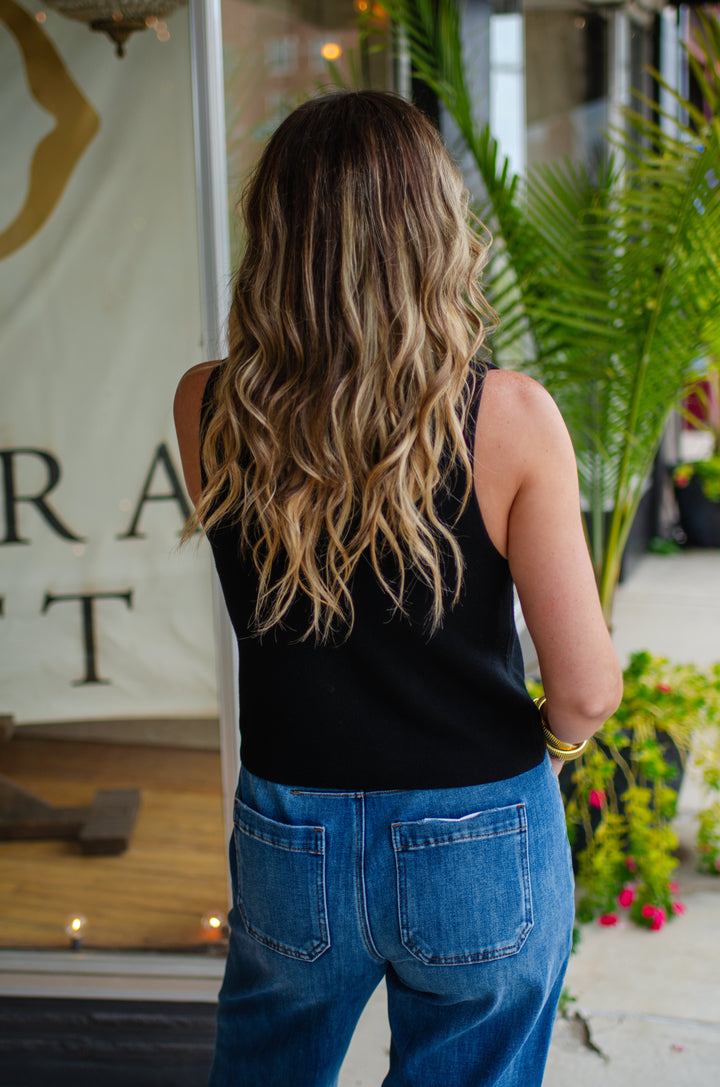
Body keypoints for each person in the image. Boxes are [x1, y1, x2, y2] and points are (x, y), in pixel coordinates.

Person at [174, 91, 622, 1087]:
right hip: (480, 827)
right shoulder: (508, 416)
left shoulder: (208, 401)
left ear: (275, 236)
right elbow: (587, 686)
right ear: (437, 231)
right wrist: (552, 750)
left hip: (292, 830)